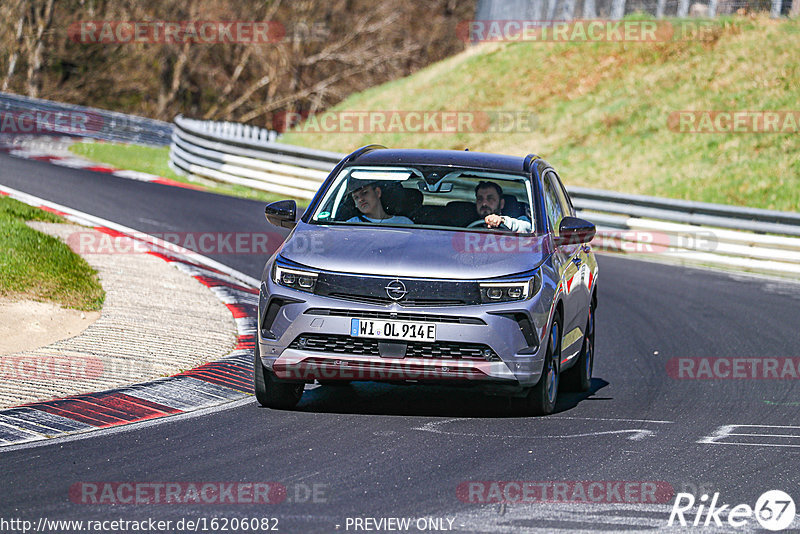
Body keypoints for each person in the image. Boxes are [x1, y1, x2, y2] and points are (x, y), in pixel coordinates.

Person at [345, 178, 413, 225]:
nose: (360, 199)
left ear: (378, 192)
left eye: (364, 193)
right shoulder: (351, 224)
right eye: (356, 197)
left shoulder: (404, 223)